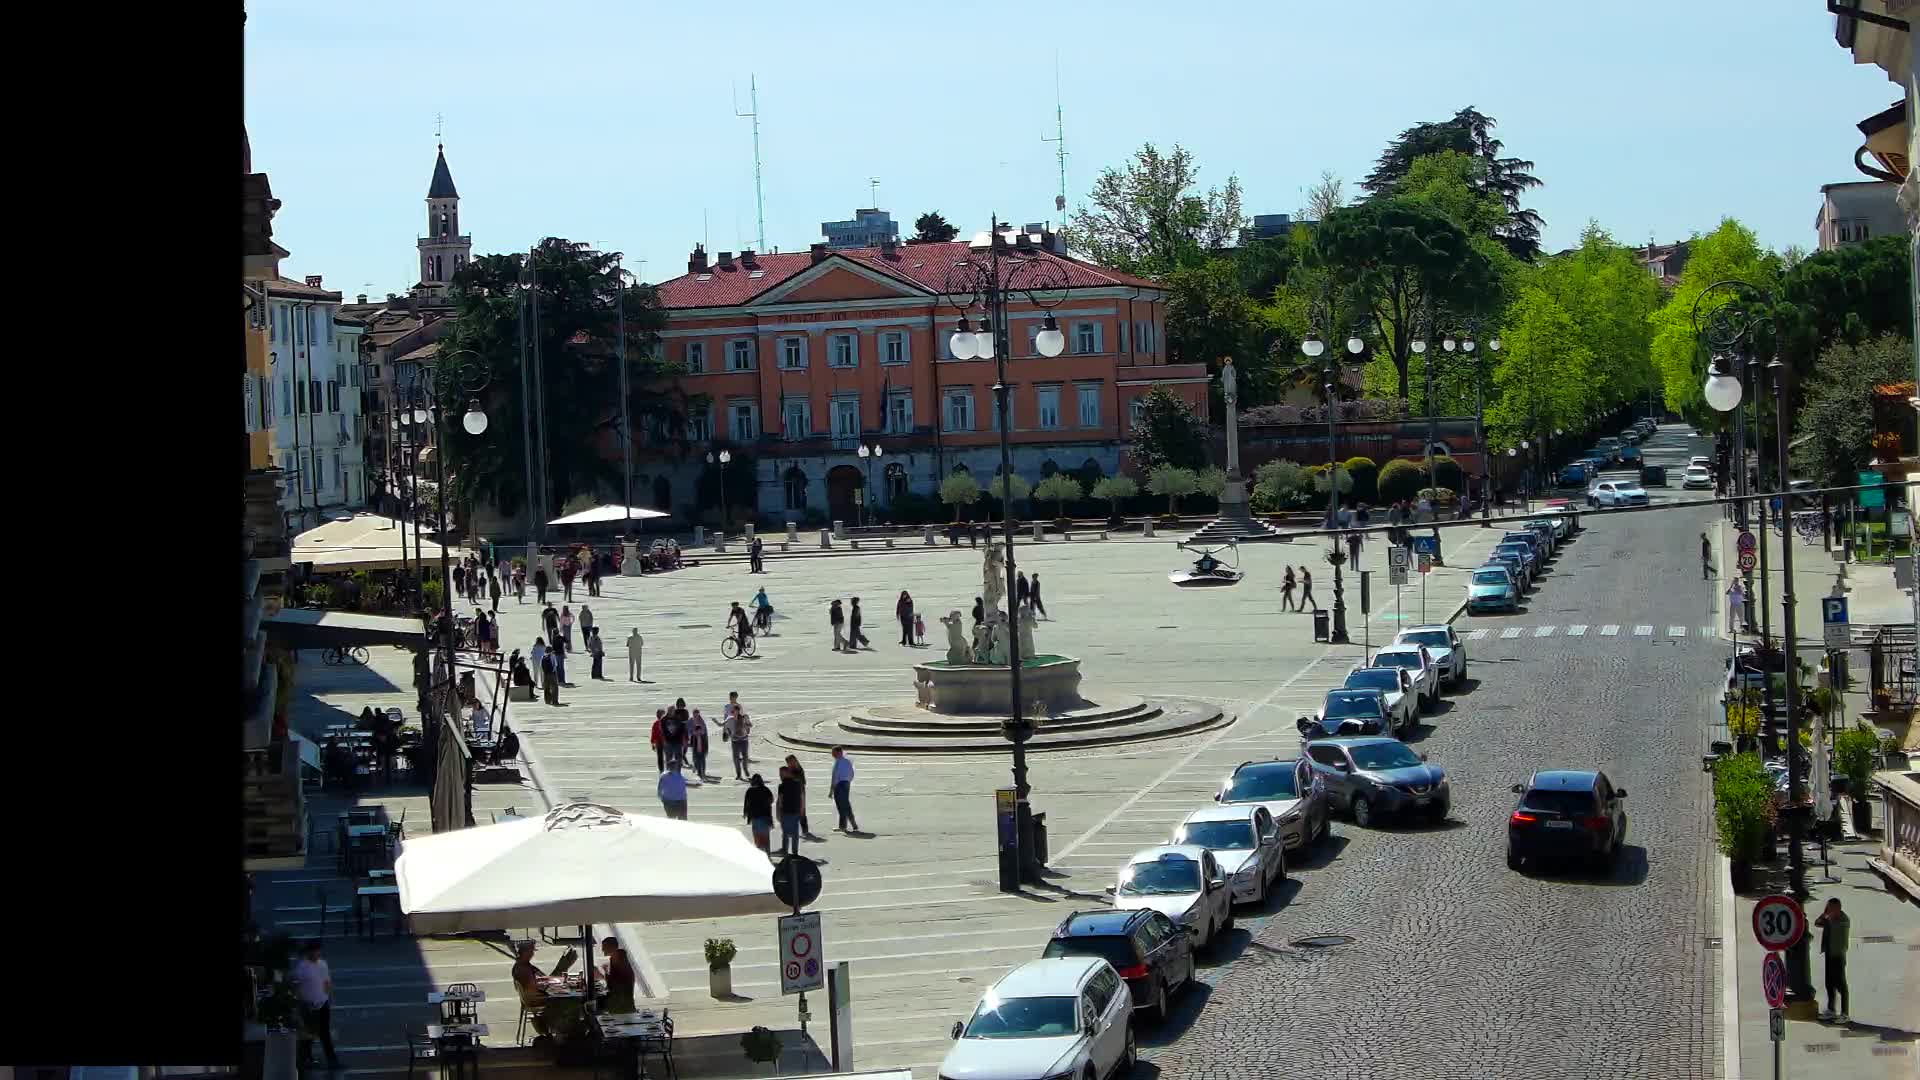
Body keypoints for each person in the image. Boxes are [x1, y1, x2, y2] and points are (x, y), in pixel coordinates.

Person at [290, 940, 341, 1071]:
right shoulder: (302, 968)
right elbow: (295, 986)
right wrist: (299, 1004)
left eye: (319, 950)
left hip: (323, 1004)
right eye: (315, 951)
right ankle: (305, 1059)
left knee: (324, 1033)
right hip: (308, 1006)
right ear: (309, 952)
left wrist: (329, 997)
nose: (317, 953)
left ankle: (332, 1059)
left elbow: (327, 982)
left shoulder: (322, 964)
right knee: (308, 1035)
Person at [1814, 897, 1849, 1023]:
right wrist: (1824, 914)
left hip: (1838, 955)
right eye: (1828, 907)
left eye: (1831, 907)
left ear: (1837, 908)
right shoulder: (1829, 918)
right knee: (1829, 983)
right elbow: (1817, 923)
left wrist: (1827, 917)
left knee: (1841, 984)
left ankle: (1845, 1013)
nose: (1829, 910)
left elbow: (1832, 926)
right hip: (1829, 954)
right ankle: (1831, 1010)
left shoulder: (1843, 920)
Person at [599, 936, 636, 1014]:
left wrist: (603, 973)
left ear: (611, 947)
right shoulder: (619, 957)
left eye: (604, 947)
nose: (602, 950)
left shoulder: (617, 958)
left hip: (621, 1006)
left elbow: (612, 984)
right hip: (625, 1003)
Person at [785, 753, 816, 839]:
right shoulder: (794, 769)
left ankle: (804, 830)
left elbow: (801, 783)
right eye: (787, 763)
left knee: (801, 813)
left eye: (789, 762)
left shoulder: (798, 770)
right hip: (794, 793)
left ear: (793, 761)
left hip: (799, 793)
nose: (788, 764)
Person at [776, 766, 804, 855]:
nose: (780, 776)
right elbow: (802, 797)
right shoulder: (798, 784)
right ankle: (795, 852)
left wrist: (778, 813)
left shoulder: (781, 786)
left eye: (781, 774)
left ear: (786, 773)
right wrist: (802, 809)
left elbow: (780, 801)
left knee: (785, 832)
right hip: (795, 811)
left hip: (786, 811)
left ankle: (785, 850)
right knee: (795, 833)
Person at [744, 773, 775, 854]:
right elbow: (771, 800)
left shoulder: (750, 791)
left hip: (755, 817)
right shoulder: (765, 789)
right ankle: (767, 855)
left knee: (758, 839)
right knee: (766, 839)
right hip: (765, 816)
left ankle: (761, 856)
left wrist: (746, 813)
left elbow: (747, 804)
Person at [830, 746, 859, 832]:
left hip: (840, 785)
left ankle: (845, 826)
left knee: (842, 806)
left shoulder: (838, 762)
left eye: (833, 752)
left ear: (839, 753)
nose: (832, 754)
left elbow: (835, 777)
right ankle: (851, 825)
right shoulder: (847, 762)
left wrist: (832, 790)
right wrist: (848, 782)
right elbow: (851, 773)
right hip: (845, 784)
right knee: (845, 805)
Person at [725, 695, 752, 779]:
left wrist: (746, 725)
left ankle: (745, 769)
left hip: (744, 739)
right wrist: (728, 734)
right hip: (735, 740)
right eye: (734, 711)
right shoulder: (729, 719)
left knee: (745, 757)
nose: (735, 713)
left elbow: (750, 725)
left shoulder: (744, 717)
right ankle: (739, 774)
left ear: (738, 711)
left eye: (737, 711)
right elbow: (726, 727)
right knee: (736, 758)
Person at [664, 699, 689, 769]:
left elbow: (686, 721)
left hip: (683, 731)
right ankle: (679, 762)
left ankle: (682, 760)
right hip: (676, 733)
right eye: (679, 704)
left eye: (682, 704)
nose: (681, 706)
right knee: (676, 751)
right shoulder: (675, 712)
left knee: (684, 748)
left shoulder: (685, 711)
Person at [689, 708, 713, 781]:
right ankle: (698, 769)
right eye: (694, 715)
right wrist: (693, 733)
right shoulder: (690, 721)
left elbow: (704, 732)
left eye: (697, 715)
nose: (695, 716)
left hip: (701, 740)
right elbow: (688, 730)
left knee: (702, 758)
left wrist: (699, 733)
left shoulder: (701, 722)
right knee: (695, 758)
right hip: (694, 741)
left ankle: (703, 773)